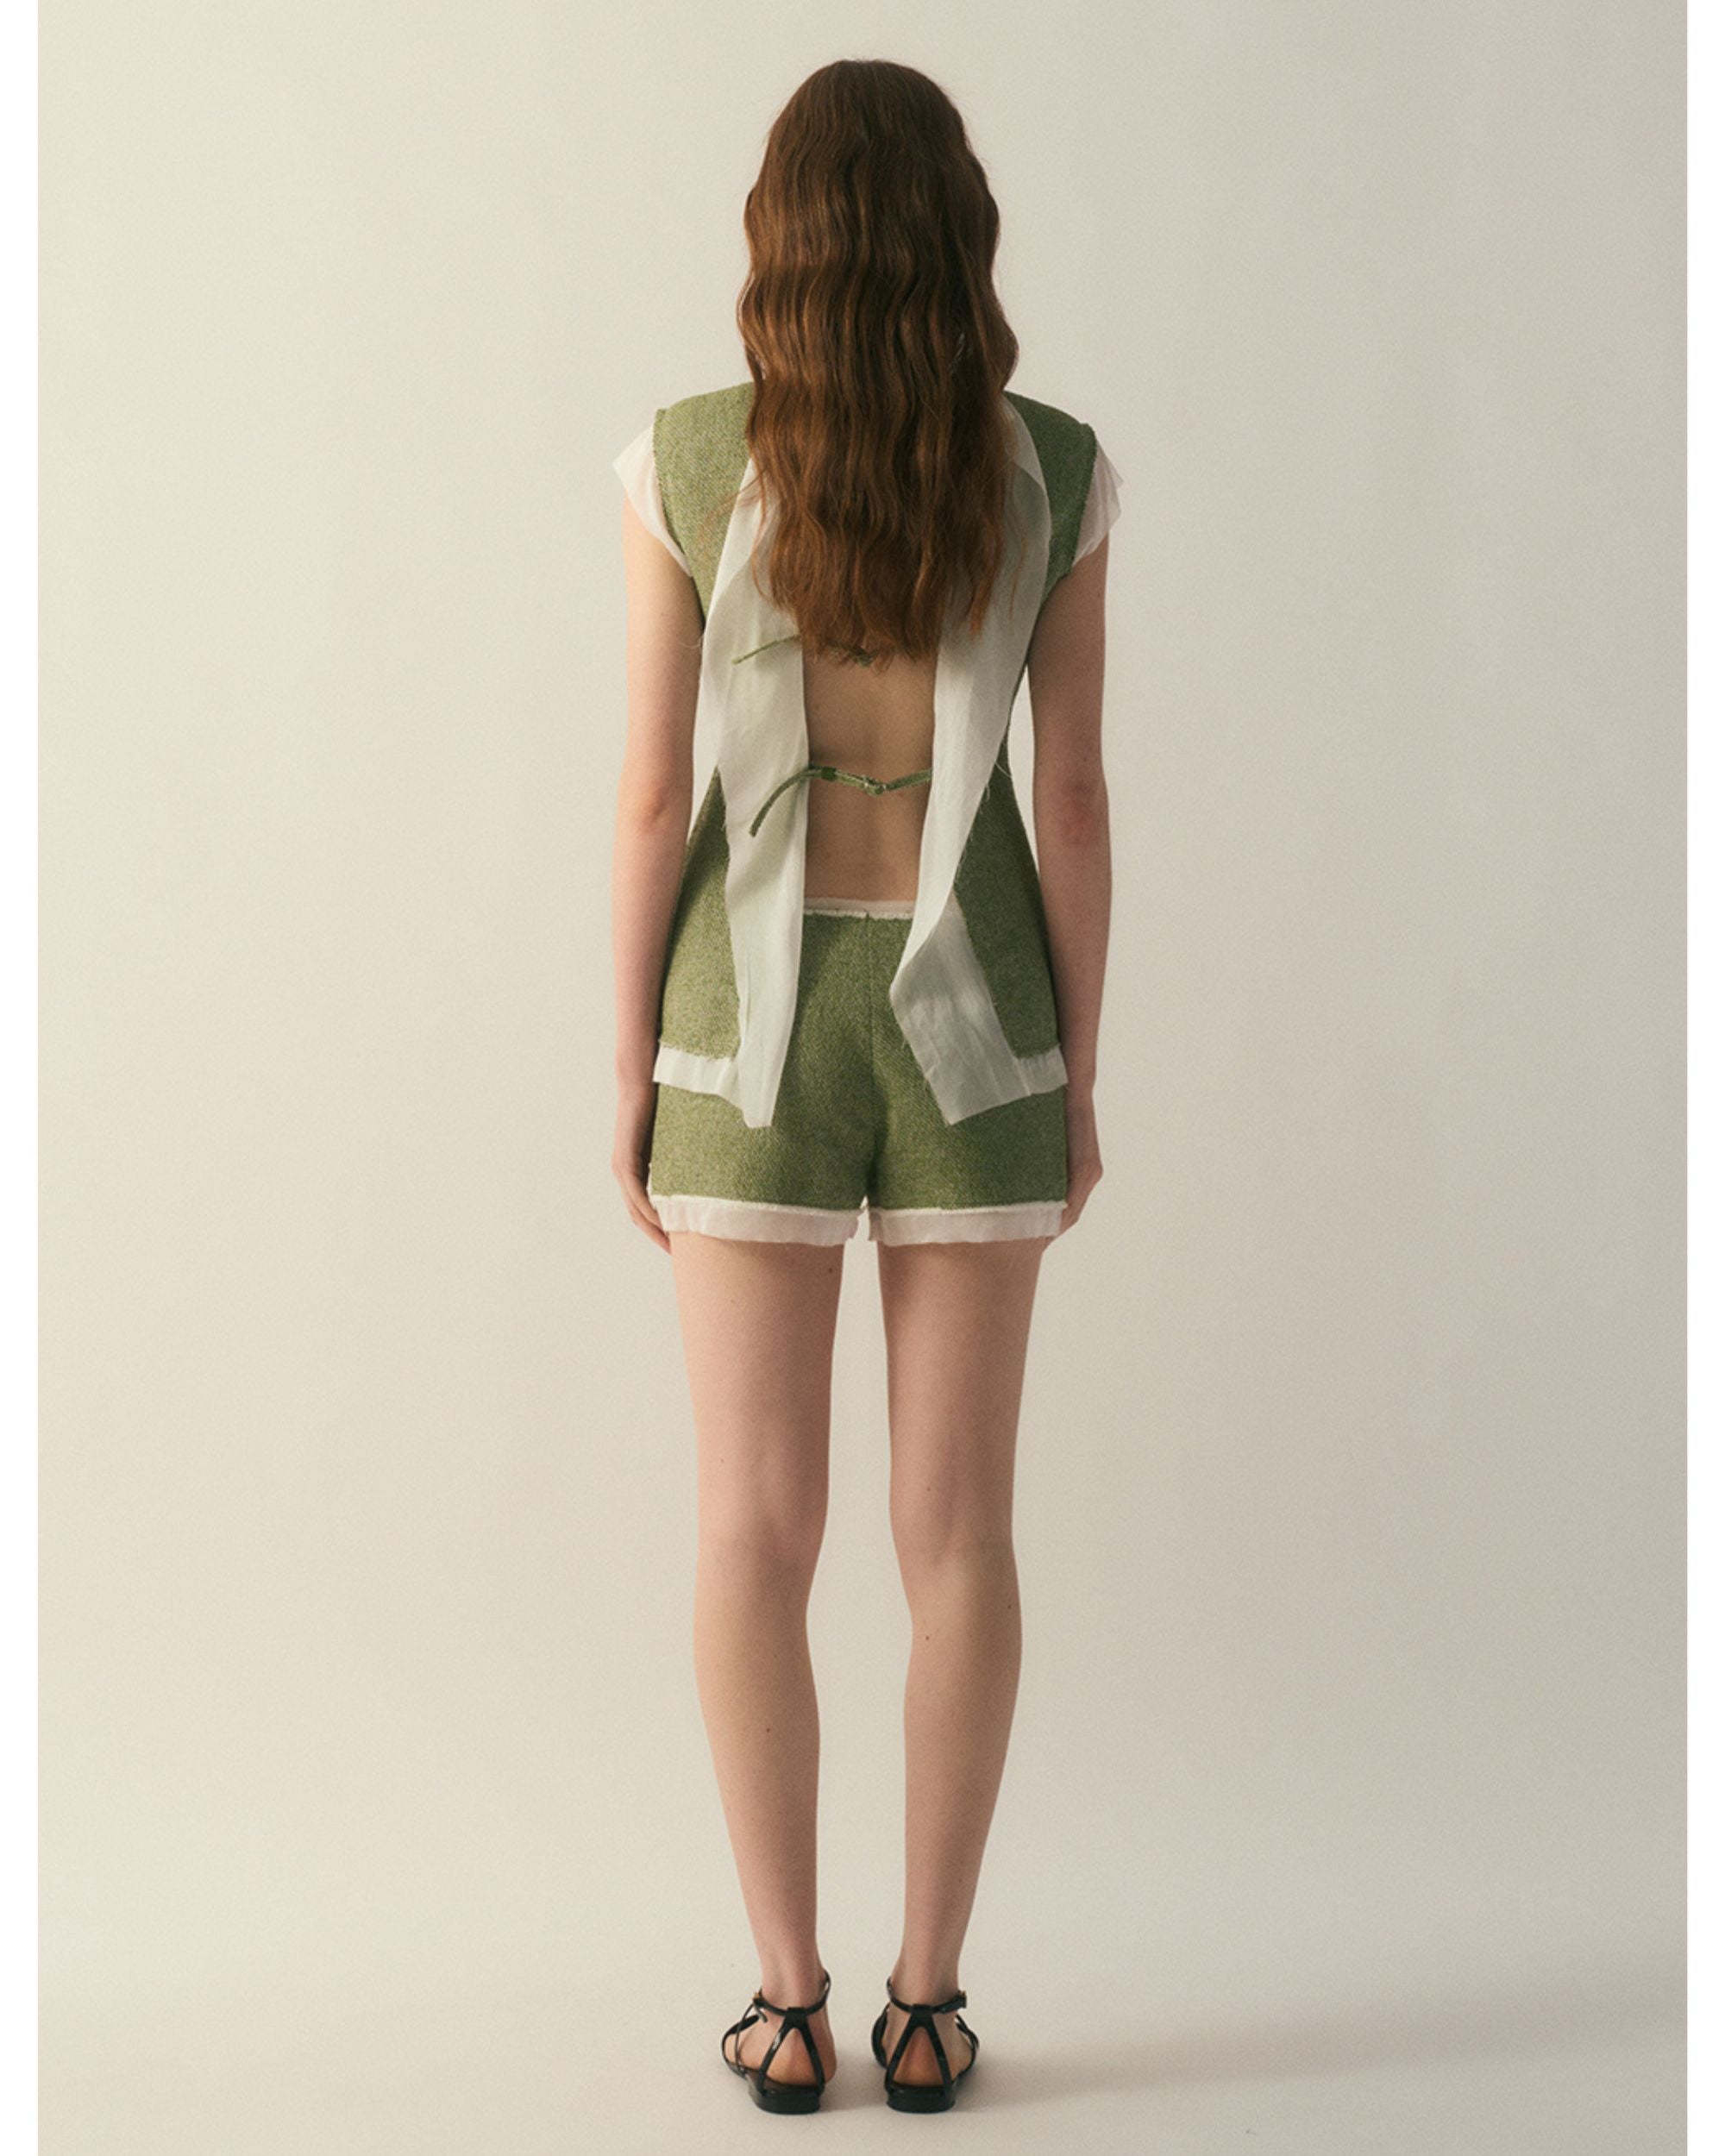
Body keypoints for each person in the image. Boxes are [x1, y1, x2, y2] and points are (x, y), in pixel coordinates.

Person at [610, 57, 1116, 2115]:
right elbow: (1070, 801)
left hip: (744, 1019)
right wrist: (1082, 1072)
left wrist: (620, 1062)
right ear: (958, 241)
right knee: (957, 1529)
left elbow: (650, 799)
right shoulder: (1052, 469)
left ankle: (783, 1992)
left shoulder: (685, 456)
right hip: (975, 1016)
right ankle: (926, 1997)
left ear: (781, 245)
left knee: (752, 1521)